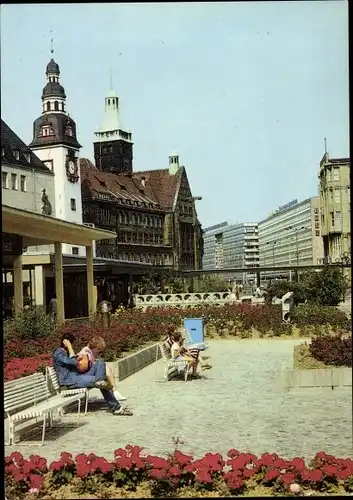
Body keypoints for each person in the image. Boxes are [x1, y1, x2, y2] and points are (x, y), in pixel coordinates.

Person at [53, 333, 132, 416]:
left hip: (77, 377)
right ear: (66, 342)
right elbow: (73, 362)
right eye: (72, 343)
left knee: (100, 363)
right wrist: (70, 348)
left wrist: (77, 357)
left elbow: (73, 363)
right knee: (102, 382)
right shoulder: (58, 353)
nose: (72, 345)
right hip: (70, 381)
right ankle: (116, 408)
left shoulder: (65, 353)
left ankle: (100, 381)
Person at [78, 336, 126, 401]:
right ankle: (115, 393)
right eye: (99, 350)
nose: (99, 352)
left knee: (104, 374)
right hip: (83, 377)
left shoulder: (89, 352)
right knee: (104, 372)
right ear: (94, 347)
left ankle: (114, 395)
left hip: (88, 375)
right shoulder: (85, 353)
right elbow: (83, 367)